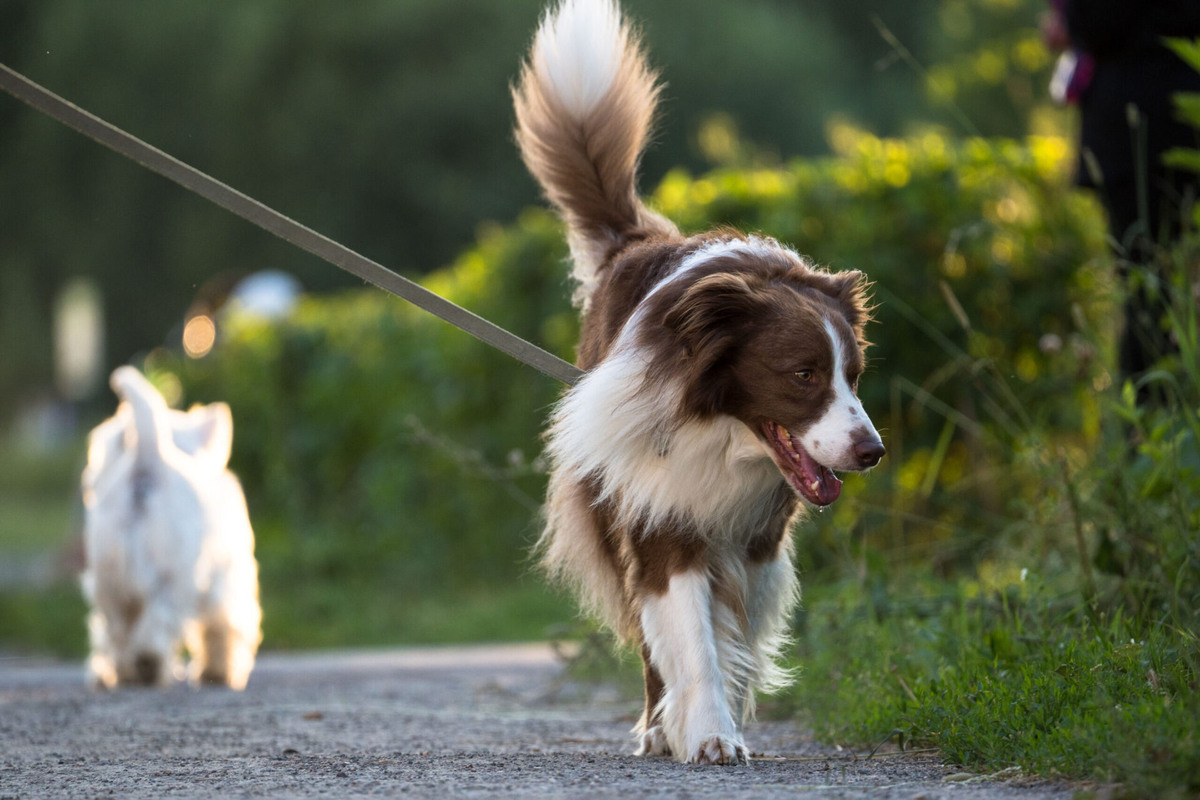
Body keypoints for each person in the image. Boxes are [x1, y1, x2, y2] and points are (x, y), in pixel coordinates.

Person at [1044, 0, 1200, 397]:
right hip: (1179, 116)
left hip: (1131, 133)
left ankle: (1150, 426)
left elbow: (1098, 23)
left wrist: (1069, 21)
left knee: (1146, 293)